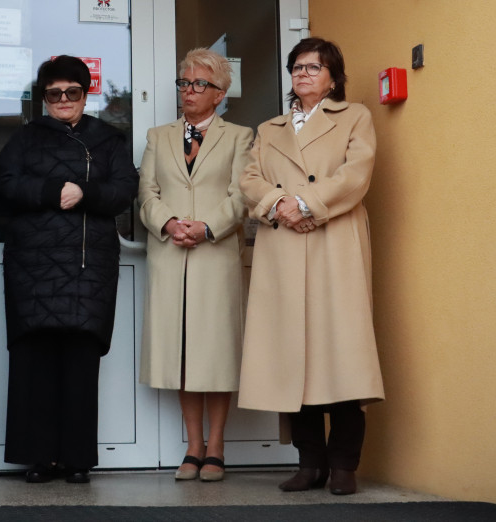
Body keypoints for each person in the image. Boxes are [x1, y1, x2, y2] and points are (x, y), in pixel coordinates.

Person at [238, 37, 383, 496]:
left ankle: (343, 466)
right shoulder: (269, 128)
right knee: (290, 358)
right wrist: (279, 204)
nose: (302, 74)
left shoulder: (355, 117)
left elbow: (356, 174)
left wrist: (306, 203)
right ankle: (309, 464)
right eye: (296, 67)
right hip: (283, 248)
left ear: (333, 76)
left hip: (333, 243)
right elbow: (248, 178)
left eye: (313, 67)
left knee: (341, 356)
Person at [0, 56, 138, 484]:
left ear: (85, 94)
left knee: (79, 361)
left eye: (72, 92)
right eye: (54, 94)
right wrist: (50, 190)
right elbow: (2, 186)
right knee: (33, 361)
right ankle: (37, 458)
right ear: (44, 98)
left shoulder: (108, 139)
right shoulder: (25, 138)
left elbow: (124, 190)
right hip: (32, 265)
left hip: (87, 265)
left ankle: (75, 459)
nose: (63, 100)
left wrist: (85, 193)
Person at [138, 48, 254, 482]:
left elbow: (241, 195)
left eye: (199, 84)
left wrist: (206, 228)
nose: (189, 91)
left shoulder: (240, 137)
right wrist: (169, 223)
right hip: (170, 256)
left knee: (216, 352)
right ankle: (193, 446)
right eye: (184, 83)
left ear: (220, 94)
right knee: (183, 353)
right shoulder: (158, 135)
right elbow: (146, 193)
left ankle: (217, 446)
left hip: (216, 255)